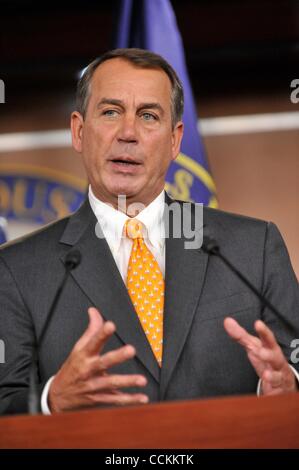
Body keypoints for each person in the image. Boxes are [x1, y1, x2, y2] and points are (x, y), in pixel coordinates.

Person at [0, 48, 298, 415]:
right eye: (110, 112)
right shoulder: (15, 269)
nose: (128, 133)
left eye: (148, 116)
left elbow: (292, 359)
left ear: (174, 141)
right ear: (78, 131)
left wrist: (289, 387)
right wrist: (50, 401)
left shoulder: (253, 248)